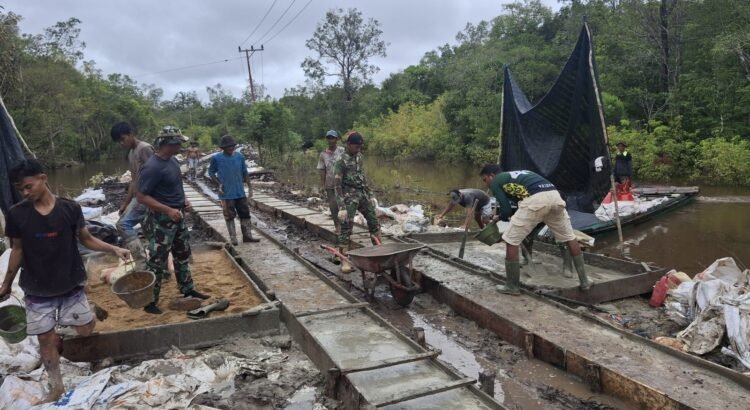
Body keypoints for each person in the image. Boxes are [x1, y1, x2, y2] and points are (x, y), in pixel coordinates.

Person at [0, 159, 130, 403]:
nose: (25, 193)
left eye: (28, 186)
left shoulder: (70, 209)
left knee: (84, 330)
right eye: (20, 189)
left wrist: (114, 248)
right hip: (37, 288)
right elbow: (17, 250)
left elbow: (86, 239)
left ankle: (90, 311)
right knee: (45, 339)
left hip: (70, 283)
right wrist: (6, 283)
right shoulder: (16, 214)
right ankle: (56, 387)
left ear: (43, 178)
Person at [479, 164, 591, 295]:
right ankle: (584, 281)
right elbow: (520, 201)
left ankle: (512, 286)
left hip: (536, 200)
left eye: (485, 180)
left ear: (492, 176)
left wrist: (498, 218)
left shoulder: (496, 181)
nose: (486, 184)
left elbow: (506, 210)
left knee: (510, 239)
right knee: (569, 237)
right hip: (555, 196)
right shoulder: (519, 175)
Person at [137, 126, 209, 314]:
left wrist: (184, 201)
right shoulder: (152, 167)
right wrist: (168, 210)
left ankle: (187, 288)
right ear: (169, 143)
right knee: (157, 260)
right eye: (179, 143)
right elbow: (141, 196)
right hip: (161, 219)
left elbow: (177, 186)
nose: (181, 147)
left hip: (177, 215)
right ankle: (150, 302)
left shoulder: (174, 162)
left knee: (182, 254)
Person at [334, 131, 381, 275]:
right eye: (356, 146)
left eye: (360, 147)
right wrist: (341, 207)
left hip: (362, 194)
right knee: (346, 227)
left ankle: (379, 254)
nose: (358, 149)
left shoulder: (359, 157)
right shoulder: (341, 161)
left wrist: (370, 195)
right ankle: (344, 260)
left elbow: (362, 177)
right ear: (349, 145)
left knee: (374, 222)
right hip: (348, 196)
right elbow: (337, 185)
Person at [110, 121, 153, 268]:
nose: (121, 143)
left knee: (122, 225)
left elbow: (157, 173)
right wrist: (125, 203)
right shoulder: (131, 153)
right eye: (119, 141)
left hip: (147, 197)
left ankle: (142, 263)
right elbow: (134, 180)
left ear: (131, 134)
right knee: (150, 232)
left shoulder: (144, 149)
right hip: (138, 197)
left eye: (123, 139)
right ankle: (158, 265)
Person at [208, 135, 259, 245]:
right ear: (223, 148)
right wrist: (219, 184)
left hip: (240, 192)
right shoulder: (217, 159)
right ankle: (233, 238)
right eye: (228, 147)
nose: (231, 148)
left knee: (245, 213)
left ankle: (247, 236)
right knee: (229, 215)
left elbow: (245, 172)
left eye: (232, 146)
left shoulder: (239, 157)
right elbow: (211, 172)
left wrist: (250, 187)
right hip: (226, 193)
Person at [317, 130, 345, 233]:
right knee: (333, 206)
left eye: (332, 138)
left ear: (336, 139)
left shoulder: (342, 151)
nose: (330, 140)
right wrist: (322, 184)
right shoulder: (323, 154)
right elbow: (322, 169)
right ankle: (337, 226)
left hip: (342, 184)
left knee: (344, 205)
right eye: (328, 138)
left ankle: (346, 227)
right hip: (330, 184)